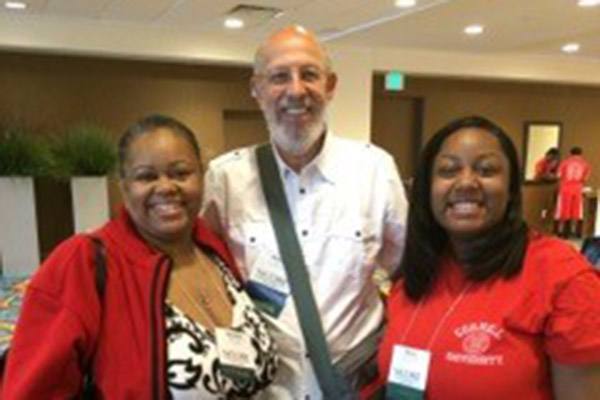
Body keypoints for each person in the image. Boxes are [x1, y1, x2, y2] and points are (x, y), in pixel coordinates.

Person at [2, 115, 278, 399]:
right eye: (146, 176)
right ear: (123, 186)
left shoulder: (216, 250)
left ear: (202, 177)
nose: (166, 187)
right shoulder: (83, 262)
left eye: (181, 173)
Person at [202, 25, 408, 399]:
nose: (296, 90)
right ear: (257, 90)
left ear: (330, 86)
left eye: (309, 75)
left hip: (354, 385)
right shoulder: (226, 178)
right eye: (279, 77)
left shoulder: (374, 169)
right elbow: (205, 276)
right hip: (267, 388)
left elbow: (410, 271)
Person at [373, 116, 600, 400]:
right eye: (447, 170)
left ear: (511, 188)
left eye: (487, 169)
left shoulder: (562, 277)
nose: (466, 182)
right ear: (427, 189)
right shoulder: (418, 269)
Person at [554, 146, 591, 238]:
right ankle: (573, 232)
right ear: (580, 154)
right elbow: (585, 178)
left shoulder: (565, 163)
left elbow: (558, 175)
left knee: (563, 210)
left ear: (570, 153)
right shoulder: (585, 164)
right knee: (576, 211)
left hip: (565, 189)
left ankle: (563, 232)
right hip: (577, 189)